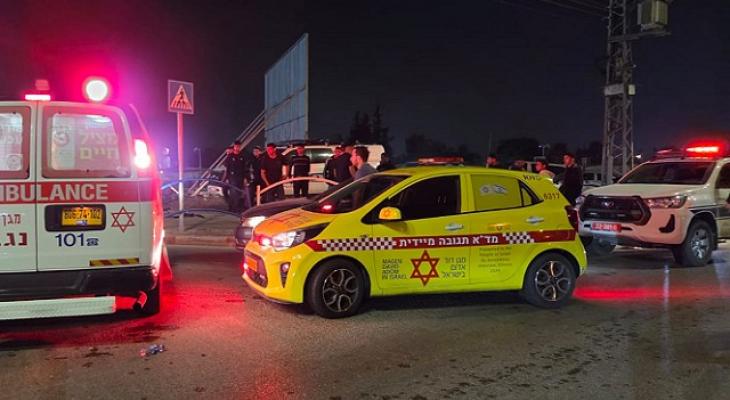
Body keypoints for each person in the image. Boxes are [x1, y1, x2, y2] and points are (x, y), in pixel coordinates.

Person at [223, 141, 251, 212]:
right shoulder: (230, 156)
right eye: (236, 146)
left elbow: (245, 168)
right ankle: (232, 208)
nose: (237, 148)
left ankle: (236, 208)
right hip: (232, 177)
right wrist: (226, 178)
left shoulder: (242, 156)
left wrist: (245, 178)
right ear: (234, 147)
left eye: (238, 146)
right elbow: (227, 168)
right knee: (233, 192)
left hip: (240, 177)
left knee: (238, 193)